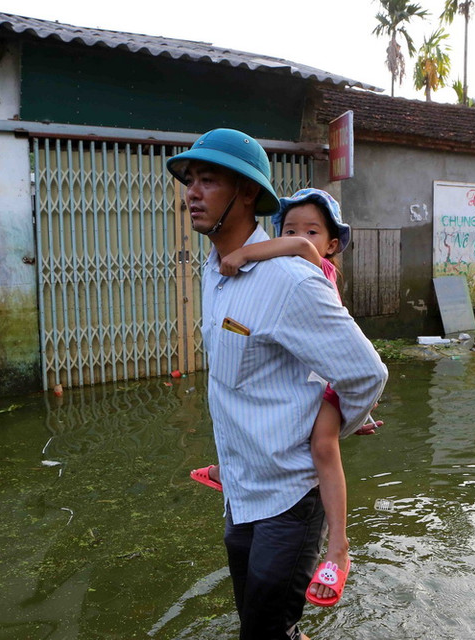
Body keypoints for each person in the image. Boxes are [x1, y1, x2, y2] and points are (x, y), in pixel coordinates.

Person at [166, 129, 387, 640]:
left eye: (209, 180)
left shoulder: (289, 279)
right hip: (241, 492)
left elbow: (367, 373)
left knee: (261, 632)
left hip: (289, 499)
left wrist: (326, 436)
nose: (192, 193)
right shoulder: (214, 272)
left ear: (246, 193)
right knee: (261, 625)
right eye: (190, 181)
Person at [189, 187, 372, 606]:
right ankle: (228, 469)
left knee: (323, 447)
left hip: (328, 383)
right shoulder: (218, 272)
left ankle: (339, 547)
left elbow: (365, 373)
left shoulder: (303, 267)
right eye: (291, 227)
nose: (300, 236)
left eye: (312, 230)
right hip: (302, 397)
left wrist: (246, 254)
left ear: (330, 243)